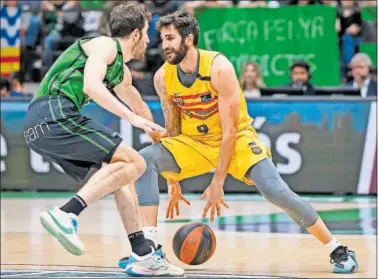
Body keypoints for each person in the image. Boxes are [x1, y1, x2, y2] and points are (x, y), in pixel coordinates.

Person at [118, 11, 359, 274]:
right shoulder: (163, 77)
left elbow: (230, 131)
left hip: (236, 138)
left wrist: (218, 182)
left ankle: (337, 248)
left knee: (276, 191)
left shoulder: (219, 68)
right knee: (144, 160)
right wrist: (172, 179)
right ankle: (149, 248)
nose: (164, 45)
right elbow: (173, 130)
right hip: (193, 141)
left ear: (188, 39)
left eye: (170, 38)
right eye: (162, 38)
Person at [23, 3, 184, 277]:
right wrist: (130, 118)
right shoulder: (105, 46)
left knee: (123, 172)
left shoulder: (120, 71)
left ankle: (142, 252)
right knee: (133, 161)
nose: (148, 40)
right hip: (52, 112)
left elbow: (139, 108)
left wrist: (166, 144)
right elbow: (91, 86)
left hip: (39, 125)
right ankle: (67, 213)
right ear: (135, 34)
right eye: (146, 33)